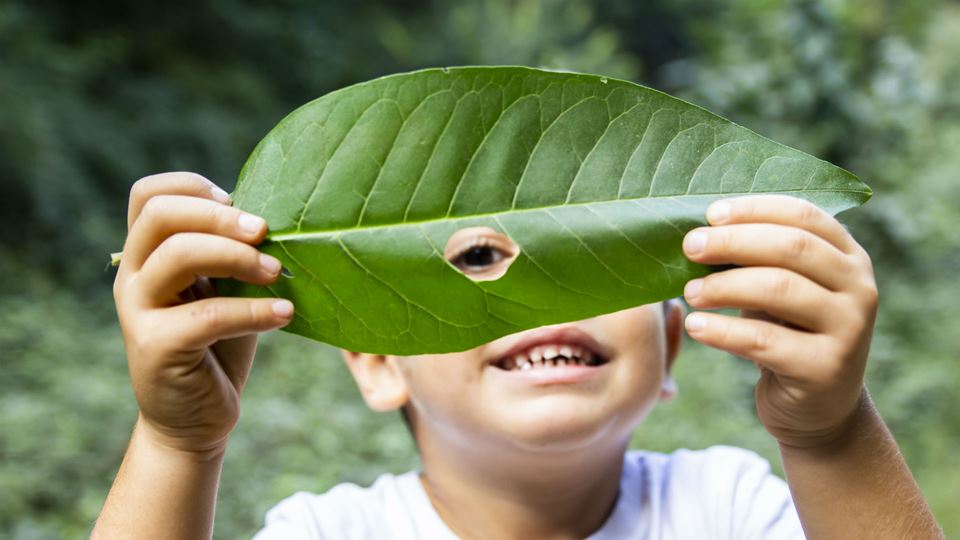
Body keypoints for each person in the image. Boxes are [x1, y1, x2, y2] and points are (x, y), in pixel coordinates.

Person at [92, 172, 943, 539]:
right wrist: (177, 444)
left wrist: (831, 434)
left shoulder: (727, 508)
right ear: (379, 362)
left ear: (670, 344)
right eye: (474, 262)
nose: (533, 296)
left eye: (589, 265)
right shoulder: (331, 532)